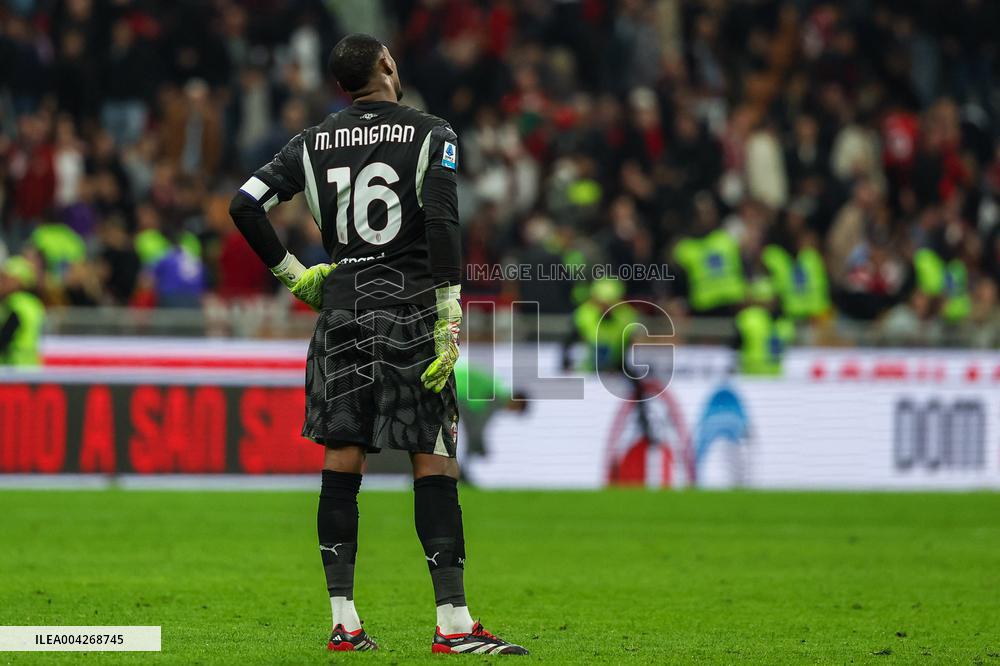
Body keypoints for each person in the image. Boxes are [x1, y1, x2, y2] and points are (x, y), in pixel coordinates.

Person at [228, 34, 527, 655]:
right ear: (388, 65)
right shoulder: (433, 133)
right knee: (435, 458)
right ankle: (453, 624)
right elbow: (443, 221)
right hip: (412, 311)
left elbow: (245, 204)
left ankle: (345, 621)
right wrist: (450, 311)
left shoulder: (309, 143)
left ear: (342, 86)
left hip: (342, 313)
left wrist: (293, 274)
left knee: (343, 462)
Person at [0, 256, 45, 366]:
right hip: (30, 365)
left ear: (18, 281)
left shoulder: (15, 303)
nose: (2, 283)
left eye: (6, 279)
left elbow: (5, 337)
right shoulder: (33, 303)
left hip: (14, 367)